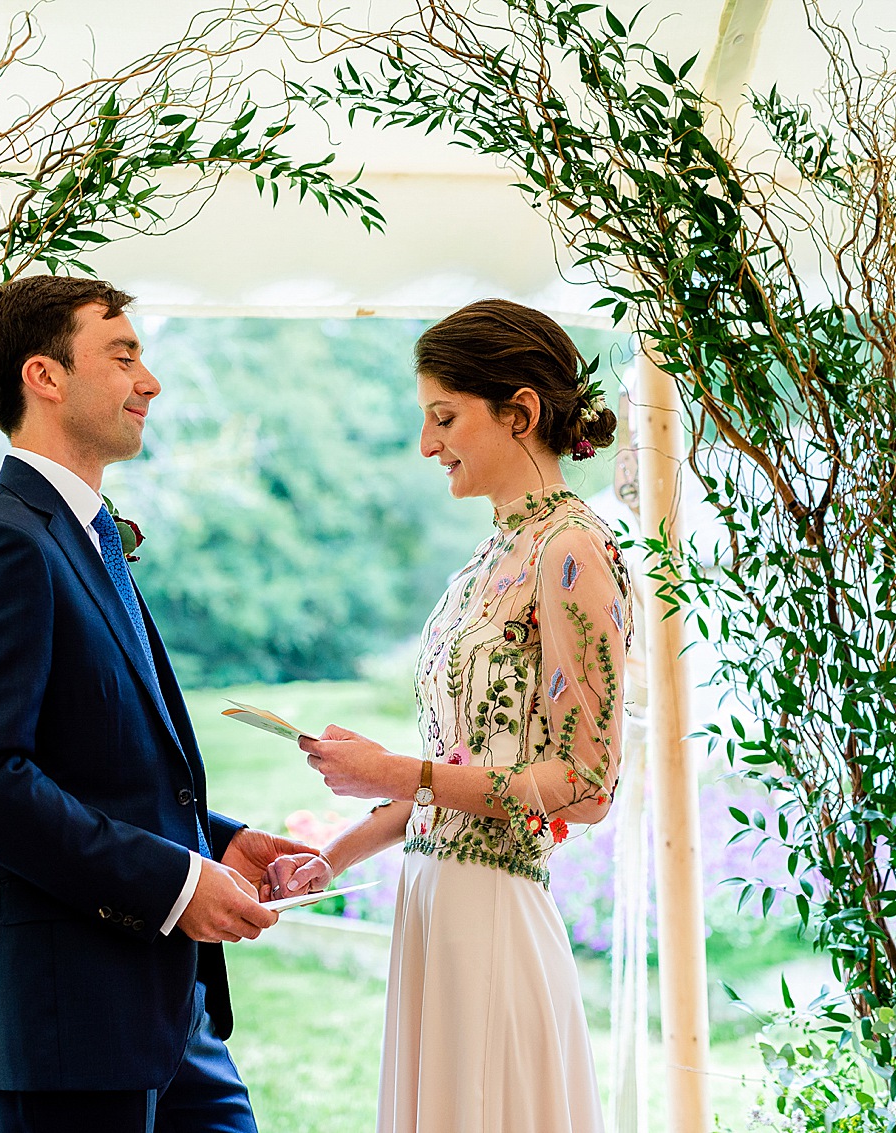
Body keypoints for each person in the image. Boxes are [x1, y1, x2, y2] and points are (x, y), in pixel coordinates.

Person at [0, 275, 316, 1133]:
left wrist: (221, 842)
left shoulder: (90, 537)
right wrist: (177, 883)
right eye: (123, 354)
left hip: (173, 1014)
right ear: (44, 377)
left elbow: (99, 762)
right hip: (65, 1023)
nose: (151, 380)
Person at [268, 299, 632, 1133]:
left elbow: (586, 784)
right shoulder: (488, 558)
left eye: (444, 417)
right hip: (434, 907)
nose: (428, 444)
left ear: (521, 411)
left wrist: (390, 771)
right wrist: (334, 852)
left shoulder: (573, 550)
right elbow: (469, 760)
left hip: (495, 917)